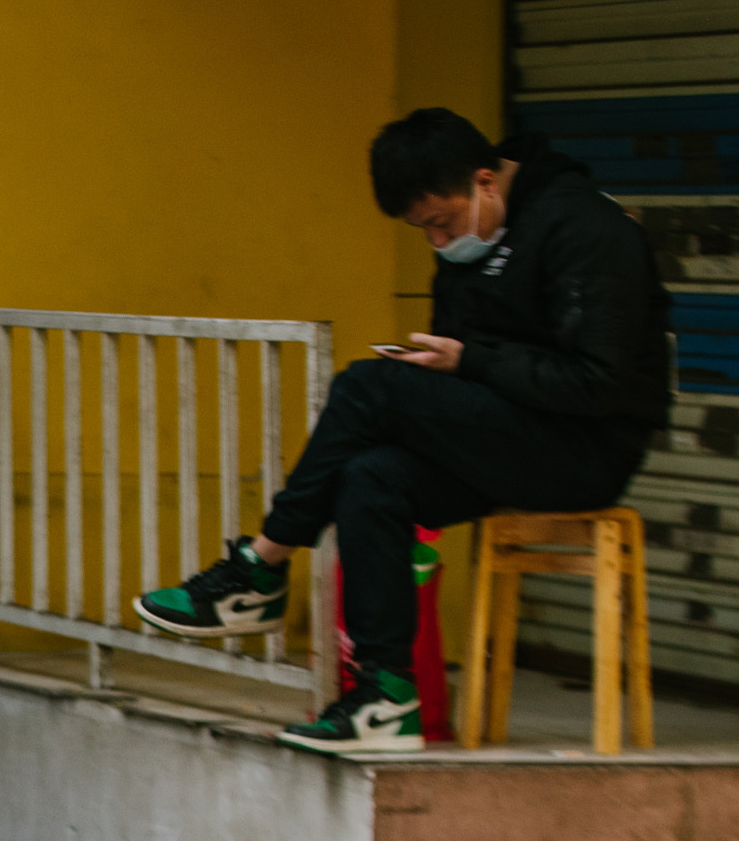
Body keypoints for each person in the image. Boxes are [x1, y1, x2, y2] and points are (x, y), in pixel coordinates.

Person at [133, 108, 671, 752]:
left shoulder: (588, 229)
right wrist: (436, 375)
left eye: (441, 223)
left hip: (584, 450)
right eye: (424, 233)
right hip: (509, 433)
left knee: (365, 389)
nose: (440, 244)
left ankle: (259, 567)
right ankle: (385, 698)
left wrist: (466, 364)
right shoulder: (472, 239)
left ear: (485, 182)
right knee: (372, 475)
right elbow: (465, 361)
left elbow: (598, 383)